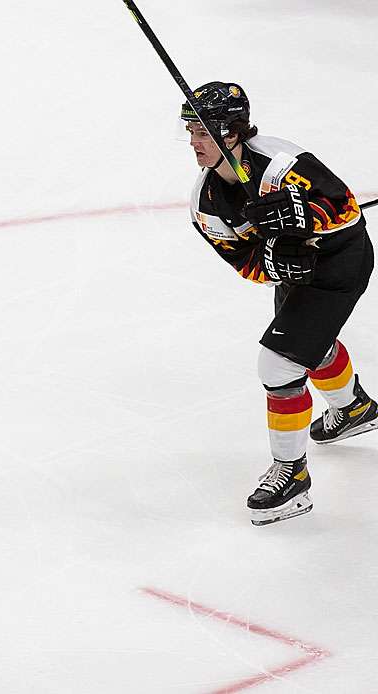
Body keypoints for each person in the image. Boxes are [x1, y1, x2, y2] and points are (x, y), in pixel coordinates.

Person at [182, 82, 375, 526]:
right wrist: (273, 259)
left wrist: (307, 217)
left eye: (203, 133)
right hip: (299, 275)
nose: (193, 144)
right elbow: (245, 263)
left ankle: (294, 477)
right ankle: (354, 410)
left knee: (278, 364)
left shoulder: (283, 163)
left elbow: (346, 211)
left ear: (231, 132)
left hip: (340, 261)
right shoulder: (205, 201)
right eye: (190, 131)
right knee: (308, 346)